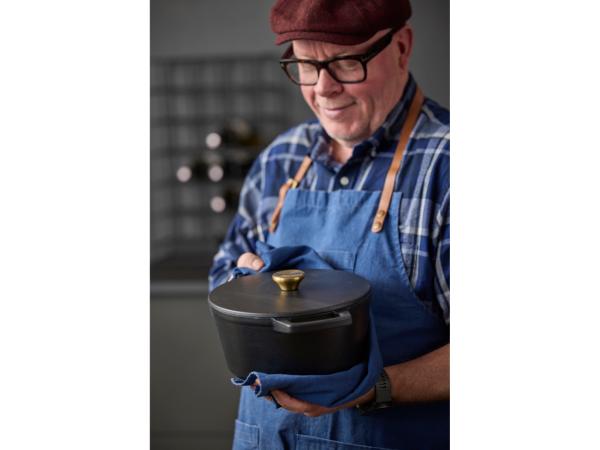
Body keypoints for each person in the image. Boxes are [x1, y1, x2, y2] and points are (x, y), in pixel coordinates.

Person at [209, 0, 450, 448]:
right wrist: (243, 283)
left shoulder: (447, 166)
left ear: (401, 47)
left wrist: (376, 387)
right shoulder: (281, 159)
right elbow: (223, 270)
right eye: (306, 64)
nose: (324, 88)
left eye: (346, 62)